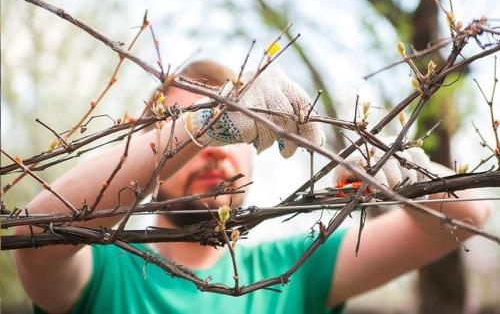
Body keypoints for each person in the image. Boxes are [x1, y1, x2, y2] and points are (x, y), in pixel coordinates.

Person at [14, 61, 490, 314]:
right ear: (151, 153)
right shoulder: (100, 272)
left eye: (239, 129)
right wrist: (209, 123)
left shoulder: (294, 270)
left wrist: (413, 175)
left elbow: (468, 219)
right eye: (186, 133)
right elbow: (34, 239)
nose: (214, 148)